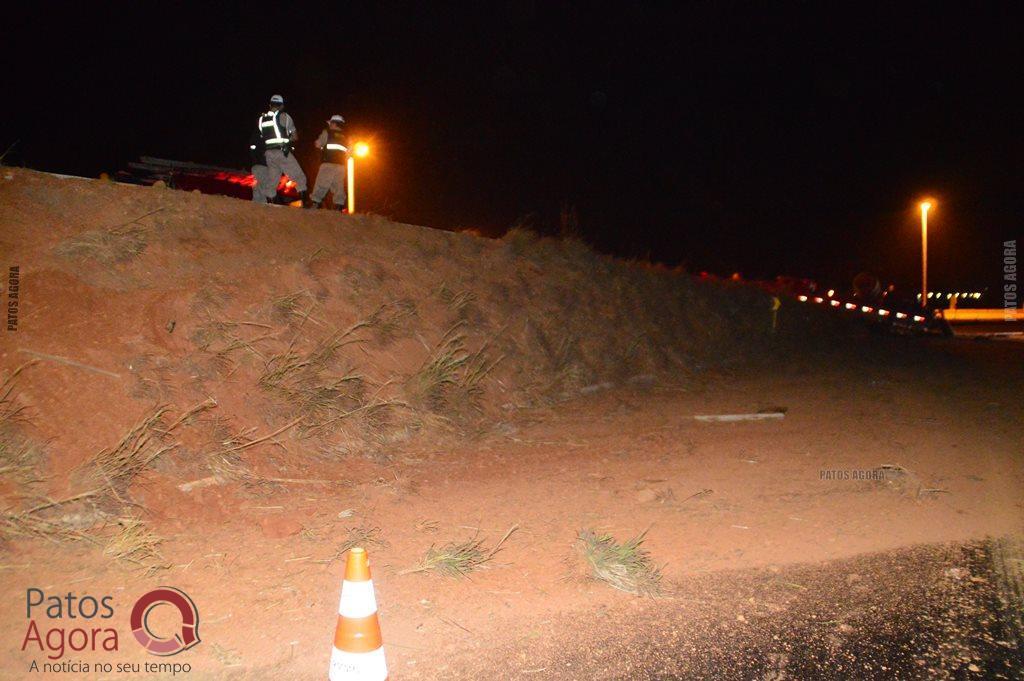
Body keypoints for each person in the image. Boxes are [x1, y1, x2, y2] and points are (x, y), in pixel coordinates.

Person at [257, 94, 309, 205]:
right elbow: (295, 137)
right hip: (282, 152)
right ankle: (304, 206)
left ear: (270, 104)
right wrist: (289, 138)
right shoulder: (285, 116)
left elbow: (264, 136)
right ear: (281, 106)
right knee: (300, 177)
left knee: (272, 182)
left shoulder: (261, 119)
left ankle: (270, 204)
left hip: (269, 154)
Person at [310, 114, 349, 210]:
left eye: (331, 123)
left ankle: (316, 203)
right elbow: (350, 151)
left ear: (334, 124)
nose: (330, 125)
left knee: (322, 183)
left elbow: (318, 144)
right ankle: (339, 206)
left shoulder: (327, 132)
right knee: (338, 185)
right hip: (341, 166)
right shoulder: (346, 136)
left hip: (328, 163)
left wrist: (319, 144)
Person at [248, 129, 275, 203]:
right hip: (263, 165)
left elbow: (252, 149)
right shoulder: (267, 138)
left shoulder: (256, 135)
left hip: (256, 165)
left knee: (257, 185)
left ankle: (256, 202)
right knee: (263, 184)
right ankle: (263, 203)